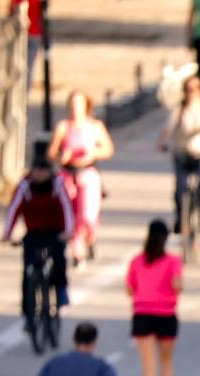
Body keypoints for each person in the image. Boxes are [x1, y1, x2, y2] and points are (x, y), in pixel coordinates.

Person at [126, 220, 184, 376]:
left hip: (143, 314)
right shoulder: (173, 261)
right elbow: (177, 286)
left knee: (148, 368)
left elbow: (130, 288)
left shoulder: (137, 261)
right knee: (166, 362)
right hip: (166, 314)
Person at [47, 90, 115, 268]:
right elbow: (51, 153)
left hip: (88, 172)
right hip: (68, 174)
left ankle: (91, 238)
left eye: (79, 103)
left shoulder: (95, 126)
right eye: (73, 103)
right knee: (72, 213)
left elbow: (108, 150)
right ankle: (77, 253)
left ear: (86, 105)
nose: (75, 108)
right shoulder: (63, 127)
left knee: (87, 214)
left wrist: (92, 153)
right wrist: (63, 155)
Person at [1, 157, 73, 312]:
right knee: (28, 271)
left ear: (49, 172)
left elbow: (67, 208)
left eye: (43, 171)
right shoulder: (24, 186)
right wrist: (7, 233)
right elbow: (13, 209)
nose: (39, 174)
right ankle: (28, 312)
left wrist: (68, 232)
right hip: (33, 232)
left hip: (55, 231)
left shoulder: (57, 185)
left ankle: (61, 290)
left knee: (59, 260)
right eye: (36, 171)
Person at [158, 74, 200, 235]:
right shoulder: (180, 108)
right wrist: (162, 142)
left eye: (195, 89)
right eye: (188, 89)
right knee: (180, 187)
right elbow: (169, 128)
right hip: (183, 151)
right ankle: (180, 218)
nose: (192, 93)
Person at [9, 0, 42, 85]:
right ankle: (23, 90)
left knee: (18, 65)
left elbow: (11, 13)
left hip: (28, 34)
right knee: (28, 66)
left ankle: (21, 89)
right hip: (34, 34)